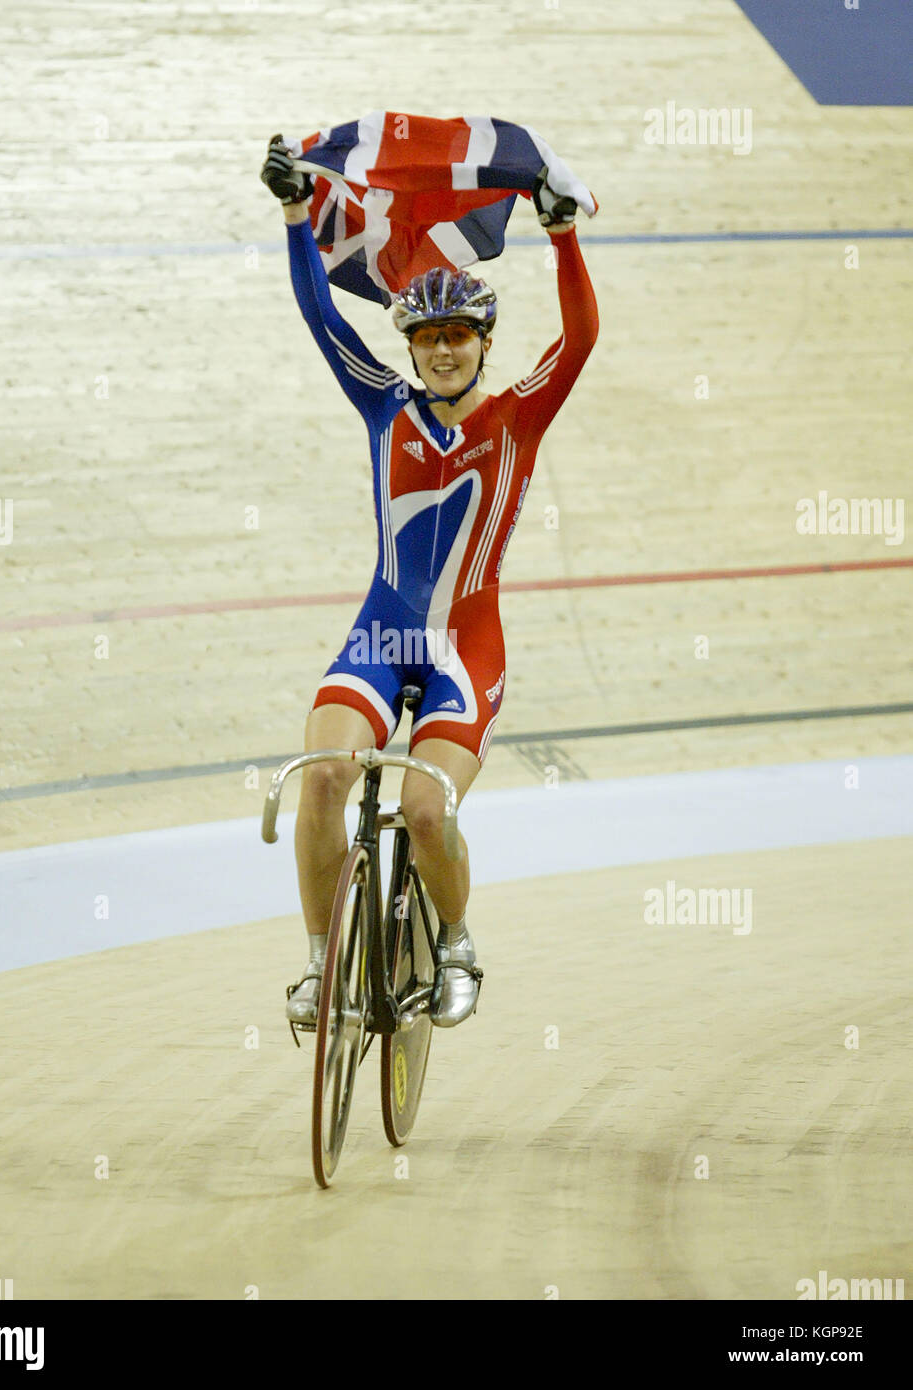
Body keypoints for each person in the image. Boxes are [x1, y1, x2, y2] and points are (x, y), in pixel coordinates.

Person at [260, 134, 599, 1029]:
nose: (442, 350)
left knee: (420, 804)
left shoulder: (520, 416)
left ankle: (453, 941)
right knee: (325, 774)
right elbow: (320, 317)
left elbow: (582, 339)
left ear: (483, 342)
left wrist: (563, 235)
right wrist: (298, 213)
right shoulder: (382, 402)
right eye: (427, 336)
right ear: (409, 345)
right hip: (381, 635)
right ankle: (320, 962)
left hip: (465, 647)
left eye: (457, 335)